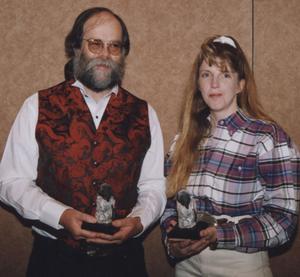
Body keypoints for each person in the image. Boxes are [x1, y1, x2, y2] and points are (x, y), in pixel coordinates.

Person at [0, 7, 166, 277]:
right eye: (95, 44)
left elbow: (153, 186)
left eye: (114, 46)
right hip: (54, 261)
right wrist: (60, 215)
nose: (104, 54)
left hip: (125, 263)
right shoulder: (37, 106)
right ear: (76, 47)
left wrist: (138, 222)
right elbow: (11, 181)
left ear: (123, 53)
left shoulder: (144, 113)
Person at [160, 35, 299, 276]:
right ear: (198, 84)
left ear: (240, 84)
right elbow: (169, 205)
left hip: (240, 263)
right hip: (187, 266)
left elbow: (284, 221)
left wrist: (220, 234)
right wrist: (173, 240)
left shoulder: (268, 137)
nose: (214, 84)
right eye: (206, 75)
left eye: (225, 74)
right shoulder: (181, 141)